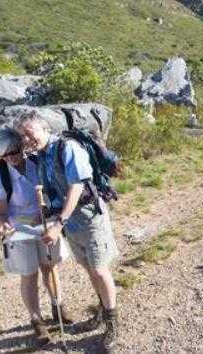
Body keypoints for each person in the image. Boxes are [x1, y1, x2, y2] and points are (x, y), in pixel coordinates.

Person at [14, 111, 120, 352]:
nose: (27, 140)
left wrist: (58, 223)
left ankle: (113, 323)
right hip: (70, 224)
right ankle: (104, 311)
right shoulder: (41, 156)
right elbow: (52, 192)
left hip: (89, 218)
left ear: (44, 129)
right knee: (89, 270)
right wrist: (39, 218)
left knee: (100, 270)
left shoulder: (67, 147)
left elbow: (76, 187)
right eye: (23, 136)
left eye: (29, 133)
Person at [0, 127, 75, 347]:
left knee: (50, 267)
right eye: (6, 155)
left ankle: (58, 306)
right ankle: (37, 321)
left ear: (22, 147)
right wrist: (3, 224)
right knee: (29, 274)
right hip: (19, 231)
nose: (11, 157)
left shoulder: (38, 163)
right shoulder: (1, 176)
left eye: (15, 151)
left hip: (45, 224)